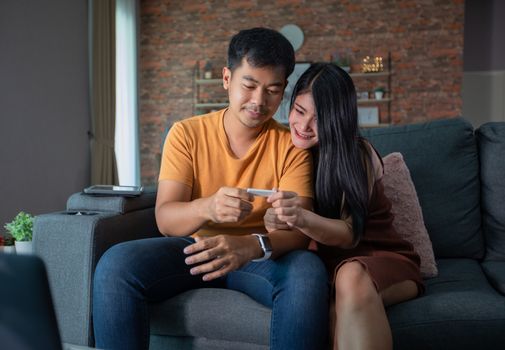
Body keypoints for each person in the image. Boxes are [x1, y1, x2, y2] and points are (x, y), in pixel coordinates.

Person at [92, 28, 329, 350]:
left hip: (261, 256)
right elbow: (166, 219)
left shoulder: (291, 146)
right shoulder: (186, 134)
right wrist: (207, 207)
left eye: (272, 90)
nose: (259, 101)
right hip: (195, 250)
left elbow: (300, 233)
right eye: (249, 86)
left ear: (284, 89)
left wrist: (250, 245)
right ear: (227, 78)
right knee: (116, 264)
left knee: (307, 271)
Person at [264, 62, 424, 350]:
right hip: (325, 272)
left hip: (381, 259)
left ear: (338, 120)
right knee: (334, 303)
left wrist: (301, 217)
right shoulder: (286, 153)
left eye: (319, 119)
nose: (303, 126)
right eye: (299, 111)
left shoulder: (357, 154)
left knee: (349, 278)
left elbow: (350, 235)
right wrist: (273, 220)